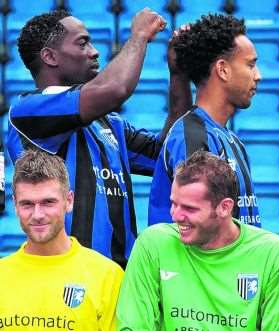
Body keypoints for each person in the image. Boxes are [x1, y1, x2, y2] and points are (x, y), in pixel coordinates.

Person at [7, 8, 191, 268]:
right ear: (49, 56)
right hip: (68, 277)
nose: (94, 51)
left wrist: (179, 75)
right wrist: (138, 36)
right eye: (82, 43)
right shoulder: (29, 111)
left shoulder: (108, 123)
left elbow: (168, 153)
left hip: (120, 278)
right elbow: (115, 88)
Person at [117, 150, 279, 330]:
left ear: (224, 207)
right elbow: (133, 326)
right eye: (174, 204)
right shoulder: (153, 244)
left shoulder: (275, 255)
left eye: (189, 208)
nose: (176, 216)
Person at [148, 14, 262, 226]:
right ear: (222, 69)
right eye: (250, 65)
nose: (258, 75)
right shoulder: (191, 136)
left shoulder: (232, 141)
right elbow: (198, 229)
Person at [0, 149, 123, 330]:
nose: (38, 214)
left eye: (48, 202)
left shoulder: (108, 276)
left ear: (69, 201)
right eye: (27, 204)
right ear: (15, 205)